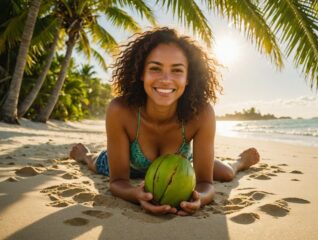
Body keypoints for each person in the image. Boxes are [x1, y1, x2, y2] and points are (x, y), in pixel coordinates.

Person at [70, 27, 260, 216]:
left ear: (188, 78)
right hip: (130, 165)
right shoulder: (120, 110)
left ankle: (239, 162)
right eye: (155, 68)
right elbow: (117, 181)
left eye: (177, 70)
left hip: (176, 170)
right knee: (96, 164)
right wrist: (135, 195)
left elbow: (206, 184)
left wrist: (199, 198)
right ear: (141, 73)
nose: (166, 79)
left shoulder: (201, 114)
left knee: (226, 173)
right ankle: (85, 155)